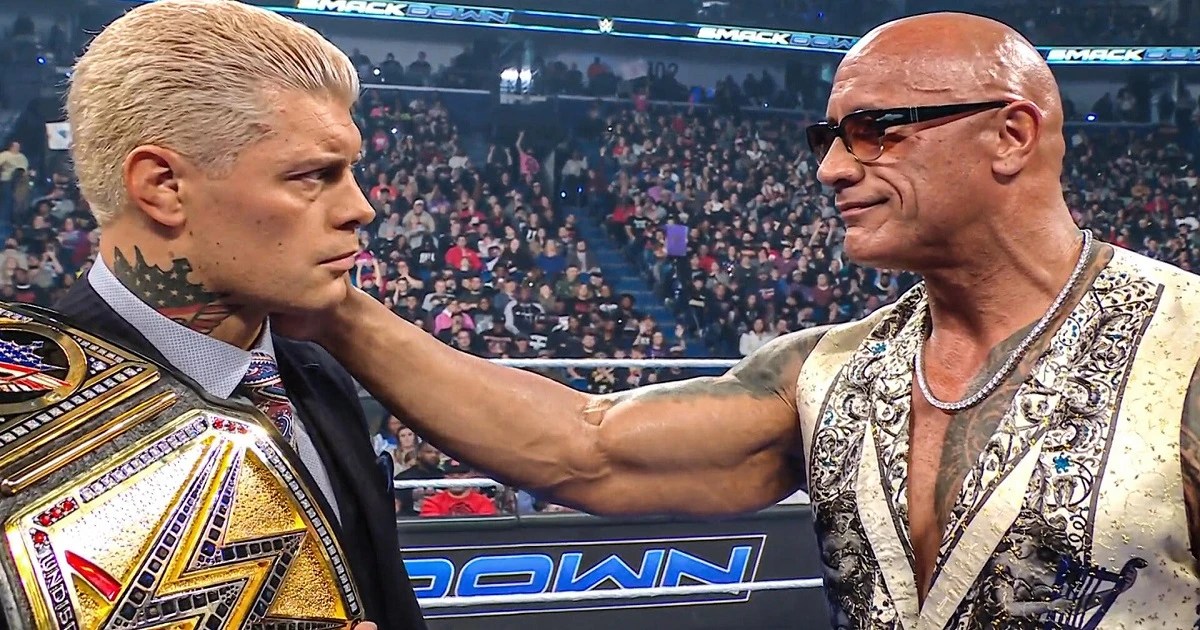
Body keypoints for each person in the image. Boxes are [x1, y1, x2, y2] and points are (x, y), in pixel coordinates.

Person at [279, 12, 1200, 629]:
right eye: (829, 137)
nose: (832, 168)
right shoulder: (829, 372)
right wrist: (341, 315)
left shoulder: (1184, 345)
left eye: (877, 129)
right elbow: (587, 448)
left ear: (1010, 135)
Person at [52, 1, 424, 628]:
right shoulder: (29, 416)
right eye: (313, 175)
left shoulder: (313, 372)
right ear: (164, 186)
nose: (361, 208)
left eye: (350, 171)